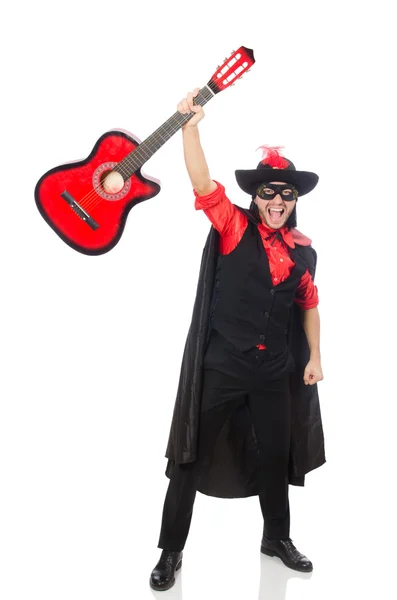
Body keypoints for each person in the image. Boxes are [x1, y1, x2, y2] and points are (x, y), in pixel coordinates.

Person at [149, 89, 326, 591]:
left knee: (275, 453)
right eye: (268, 192)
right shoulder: (231, 226)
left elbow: (309, 304)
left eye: (286, 194)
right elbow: (203, 183)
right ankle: (171, 551)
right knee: (188, 456)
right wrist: (190, 127)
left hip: (273, 371)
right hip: (222, 366)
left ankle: (277, 539)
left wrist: (315, 355)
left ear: (295, 201)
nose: (276, 201)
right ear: (255, 197)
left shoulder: (303, 253)